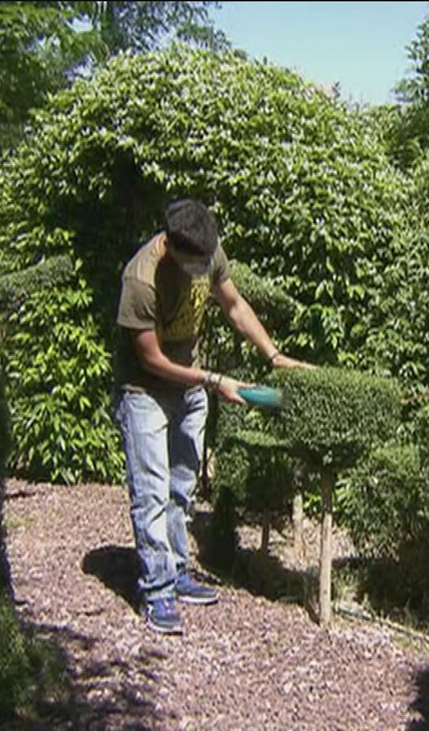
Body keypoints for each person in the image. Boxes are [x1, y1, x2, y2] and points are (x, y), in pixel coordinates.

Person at [113, 199, 310, 634]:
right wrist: (213, 380)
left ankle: (176, 571)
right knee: (151, 492)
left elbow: (234, 304)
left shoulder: (206, 248)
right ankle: (156, 590)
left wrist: (274, 355)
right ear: (170, 246)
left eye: (207, 259)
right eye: (196, 263)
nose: (204, 269)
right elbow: (150, 360)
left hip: (190, 388)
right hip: (145, 393)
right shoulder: (141, 279)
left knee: (181, 486)